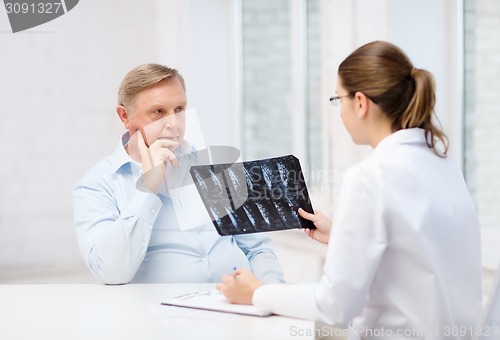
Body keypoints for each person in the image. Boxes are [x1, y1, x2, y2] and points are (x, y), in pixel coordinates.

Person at [216, 41, 482, 339]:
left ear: (359, 103)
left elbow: (336, 307)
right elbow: (416, 253)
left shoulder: (370, 176)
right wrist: (341, 235)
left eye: (337, 99)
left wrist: (259, 292)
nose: (339, 112)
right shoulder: (444, 166)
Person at [73, 63, 284, 284]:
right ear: (125, 116)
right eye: (159, 112)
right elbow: (111, 272)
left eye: (179, 109)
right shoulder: (98, 184)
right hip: (160, 314)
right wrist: (148, 186)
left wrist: (270, 296)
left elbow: (258, 250)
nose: (173, 124)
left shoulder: (214, 165)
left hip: (238, 305)